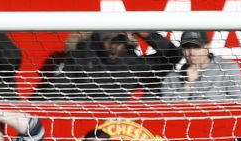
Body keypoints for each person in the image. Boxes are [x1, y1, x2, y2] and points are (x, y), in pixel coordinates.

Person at [33, 31, 181, 101]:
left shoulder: (132, 66)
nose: (113, 47)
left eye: (119, 42)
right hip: (79, 128)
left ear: (126, 44)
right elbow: (51, 97)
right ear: (99, 41)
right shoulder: (80, 61)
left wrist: (145, 33)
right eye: (109, 41)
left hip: (118, 130)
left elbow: (173, 56)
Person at [160, 31, 241, 101]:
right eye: (186, 47)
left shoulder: (228, 68)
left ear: (208, 47)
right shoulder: (173, 77)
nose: (191, 52)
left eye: (197, 47)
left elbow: (239, 103)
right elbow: (169, 111)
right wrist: (187, 85)